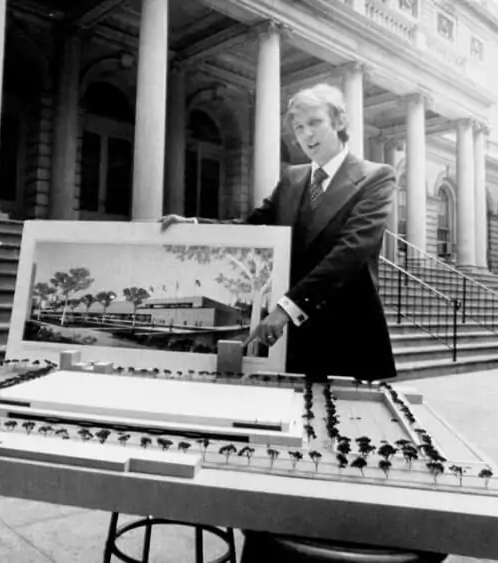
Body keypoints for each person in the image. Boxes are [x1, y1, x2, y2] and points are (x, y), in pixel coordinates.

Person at [160, 83, 397, 383]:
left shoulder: (376, 177)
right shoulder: (292, 177)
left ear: (338, 122)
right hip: (293, 343)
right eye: (299, 128)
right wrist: (194, 226)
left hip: (347, 337)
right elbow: (253, 226)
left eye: (315, 123)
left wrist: (287, 308)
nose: (306, 134)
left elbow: (351, 251)